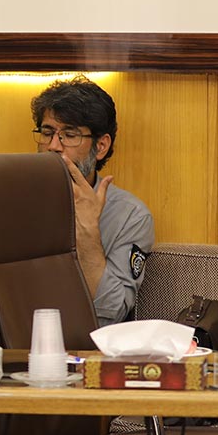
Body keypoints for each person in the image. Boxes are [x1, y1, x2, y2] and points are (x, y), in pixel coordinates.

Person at [29, 77, 155, 326]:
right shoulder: (13, 199)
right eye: (47, 133)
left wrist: (88, 233)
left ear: (101, 146)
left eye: (69, 135)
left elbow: (110, 315)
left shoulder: (130, 216)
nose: (53, 146)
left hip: (86, 341)